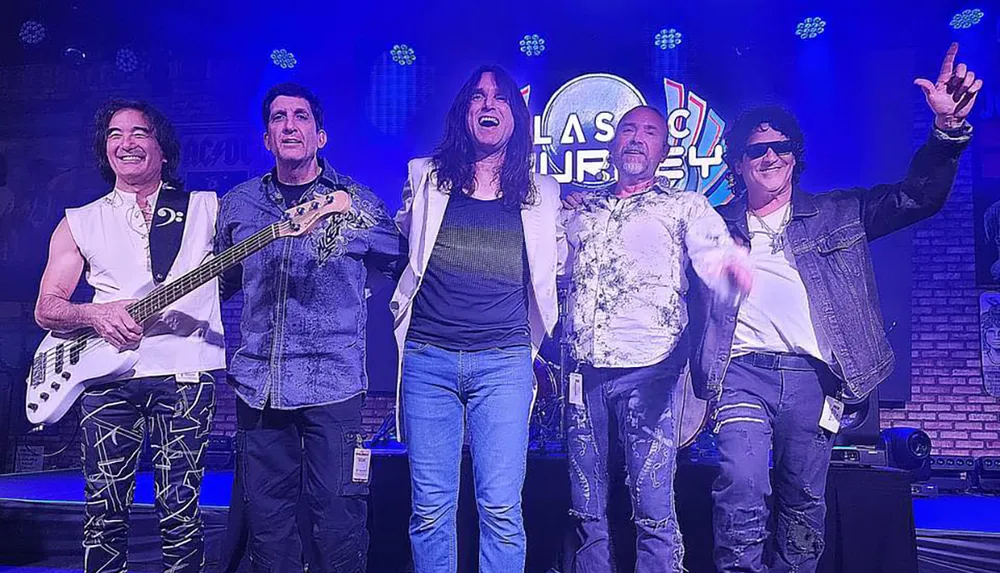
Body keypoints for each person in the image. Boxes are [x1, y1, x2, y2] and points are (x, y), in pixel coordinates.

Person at [689, 43, 981, 572]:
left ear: (795, 156)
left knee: (803, 501)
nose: (770, 156)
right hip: (741, 373)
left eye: (781, 146)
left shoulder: (837, 212)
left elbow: (918, 197)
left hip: (813, 378)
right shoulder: (711, 223)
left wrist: (946, 134)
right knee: (740, 485)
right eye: (758, 150)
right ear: (739, 163)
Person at [215, 82, 406, 573]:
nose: (289, 125)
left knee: (339, 518)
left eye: (300, 117)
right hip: (260, 387)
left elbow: (406, 264)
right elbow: (219, 286)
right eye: (278, 118)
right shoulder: (239, 205)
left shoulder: (357, 204)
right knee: (269, 526)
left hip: (333, 386)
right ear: (266, 139)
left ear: (320, 136)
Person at [34, 99, 225, 573]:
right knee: (103, 515)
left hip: (184, 372)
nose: (126, 142)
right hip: (103, 378)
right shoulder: (79, 219)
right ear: (105, 149)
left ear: (162, 149)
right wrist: (97, 315)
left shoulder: (205, 207)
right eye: (115, 134)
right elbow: (47, 307)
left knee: (181, 515)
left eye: (140, 132)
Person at [561, 105, 752, 573]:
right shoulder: (583, 209)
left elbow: (715, 256)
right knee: (586, 506)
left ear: (664, 152)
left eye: (649, 132)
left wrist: (732, 270)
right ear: (611, 144)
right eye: (628, 129)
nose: (636, 138)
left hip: (651, 373)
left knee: (652, 506)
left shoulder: (682, 206)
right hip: (583, 375)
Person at [390, 65, 566, 573]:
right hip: (428, 359)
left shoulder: (542, 193)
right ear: (464, 112)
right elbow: (406, 237)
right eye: (478, 97)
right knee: (429, 510)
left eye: (500, 98)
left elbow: (556, 261)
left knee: (501, 508)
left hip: (505, 363)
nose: (488, 105)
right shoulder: (424, 176)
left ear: (516, 115)